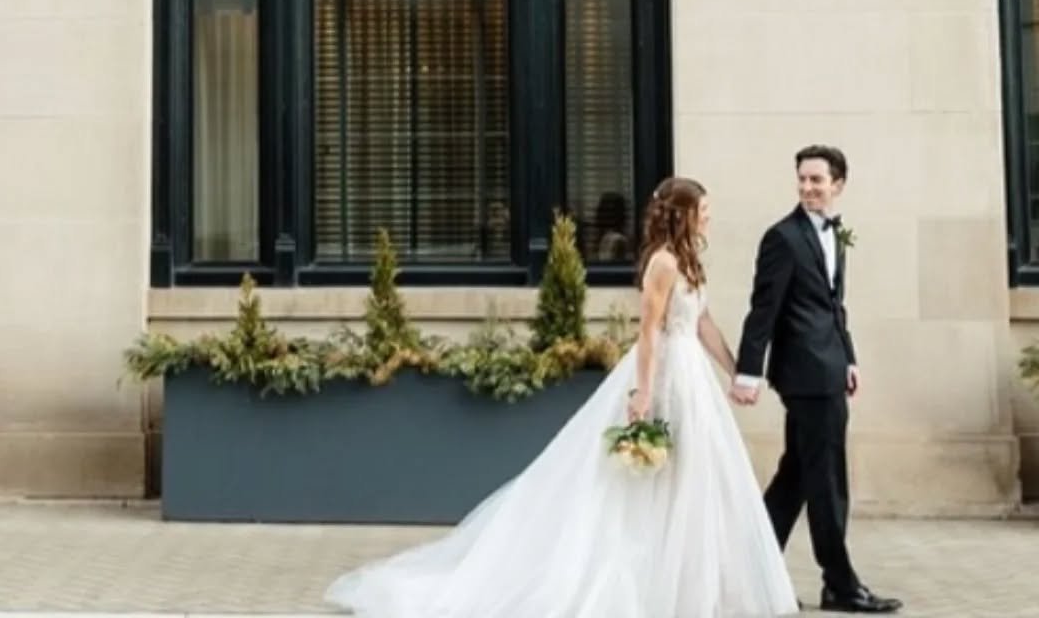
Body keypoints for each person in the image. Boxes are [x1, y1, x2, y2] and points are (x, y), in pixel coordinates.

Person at [325, 178, 798, 618]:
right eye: (703, 210)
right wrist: (643, 391)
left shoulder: (689, 259)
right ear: (682, 214)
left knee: (694, 475)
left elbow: (702, 322)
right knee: (655, 479)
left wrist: (737, 371)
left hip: (694, 374)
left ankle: (688, 583)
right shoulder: (663, 263)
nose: (709, 217)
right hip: (668, 373)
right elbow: (649, 332)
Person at [732, 146, 901, 615]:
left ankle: (752, 571)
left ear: (837, 185)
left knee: (797, 476)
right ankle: (840, 585)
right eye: (802, 179)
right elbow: (762, 309)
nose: (807, 188)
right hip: (805, 375)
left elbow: (833, 304)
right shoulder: (782, 238)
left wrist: (850, 359)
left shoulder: (834, 233)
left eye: (816, 180)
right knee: (827, 481)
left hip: (830, 368)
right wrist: (748, 371)